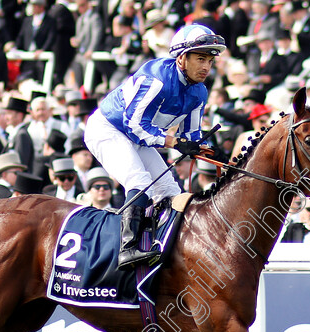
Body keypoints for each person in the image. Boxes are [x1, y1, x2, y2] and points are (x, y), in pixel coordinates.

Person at [85, 24, 225, 270]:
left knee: (171, 190)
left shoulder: (199, 92)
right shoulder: (156, 78)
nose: (206, 67)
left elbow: (190, 134)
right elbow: (133, 124)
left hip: (138, 138)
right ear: (181, 59)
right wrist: (174, 142)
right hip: (108, 129)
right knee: (138, 181)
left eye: (210, 62)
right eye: (200, 59)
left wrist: (202, 147)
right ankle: (127, 249)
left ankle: (166, 245)